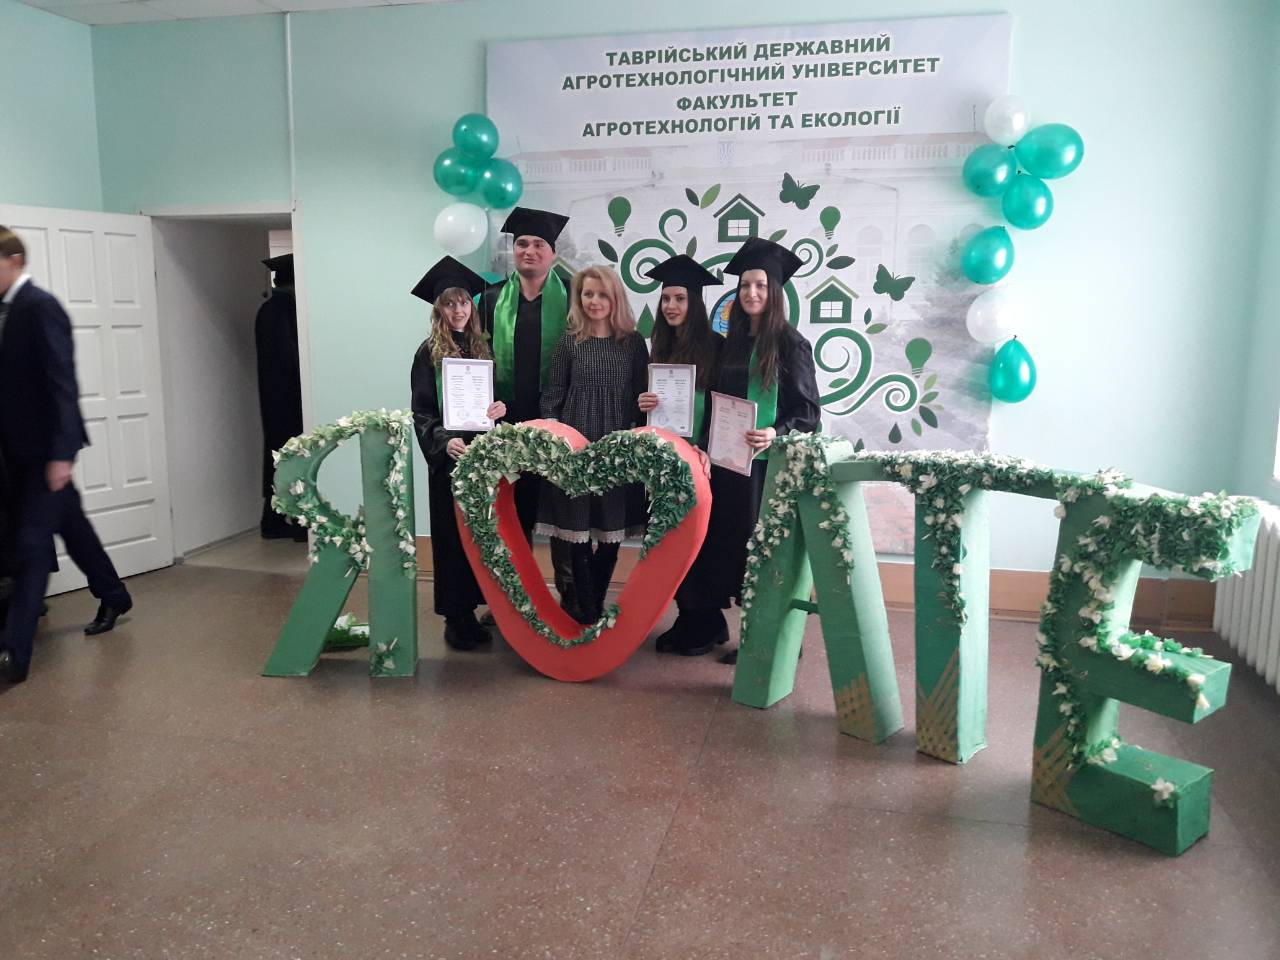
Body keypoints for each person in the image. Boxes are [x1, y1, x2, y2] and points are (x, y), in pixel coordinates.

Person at [671, 237, 820, 661]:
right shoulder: (731, 342)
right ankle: (713, 626)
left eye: (760, 285)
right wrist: (702, 445)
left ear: (775, 292)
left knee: (763, 551)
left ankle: (772, 641)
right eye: (744, 286)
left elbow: (808, 411)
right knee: (727, 547)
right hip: (727, 464)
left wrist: (775, 431)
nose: (751, 293)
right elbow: (715, 400)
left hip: (765, 469)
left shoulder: (791, 344)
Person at [0, 227, 134, 684]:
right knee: (73, 529)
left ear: (14, 260)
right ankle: (114, 595)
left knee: (31, 547)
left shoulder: (40, 306)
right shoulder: (6, 310)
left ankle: (14, 654)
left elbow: (62, 382)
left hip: (46, 453)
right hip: (15, 454)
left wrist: (62, 453)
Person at [535, 265, 649, 624]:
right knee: (577, 531)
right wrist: (555, 440)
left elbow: (641, 395)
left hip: (617, 447)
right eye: (587, 294)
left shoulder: (633, 343)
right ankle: (586, 608)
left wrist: (638, 431)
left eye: (602, 294)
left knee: (612, 533)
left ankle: (594, 598)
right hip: (576, 447)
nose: (594, 301)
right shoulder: (569, 342)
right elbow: (553, 395)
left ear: (615, 298)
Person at [409, 256, 506, 652]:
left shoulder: (484, 348)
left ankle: (480, 607)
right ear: (439, 309)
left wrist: (500, 408)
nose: (458, 310)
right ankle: (456, 617)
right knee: (451, 537)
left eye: (463, 302)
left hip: (483, 456)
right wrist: (441, 440)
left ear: (472, 305)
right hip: (451, 457)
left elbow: (497, 400)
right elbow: (421, 411)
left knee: (482, 533)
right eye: (449, 304)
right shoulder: (428, 353)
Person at [635, 255, 725, 654]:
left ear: (695, 303)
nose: (671, 306)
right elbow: (650, 408)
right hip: (666, 460)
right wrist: (643, 403)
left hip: (704, 460)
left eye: (680, 299)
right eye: (666, 298)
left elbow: (725, 406)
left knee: (700, 542)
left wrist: (707, 446)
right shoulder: (659, 347)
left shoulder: (717, 348)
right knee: (670, 538)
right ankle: (693, 617)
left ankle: (703, 620)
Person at [478, 206, 571, 540]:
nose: (529, 250)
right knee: (511, 508)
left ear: (553, 254)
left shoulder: (574, 296)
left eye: (538, 244)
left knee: (559, 507)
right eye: (522, 243)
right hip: (507, 417)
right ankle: (516, 570)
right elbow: (480, 359)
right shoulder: (491, 299)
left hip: (557, 417)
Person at [255, 253, 306, 541]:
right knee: (291, 456)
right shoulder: (283, 309)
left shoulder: (270, 309)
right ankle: (297, 521)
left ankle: (273, 519)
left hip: (275, 395)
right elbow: (290, 355)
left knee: (278, 455)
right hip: (288, 396)